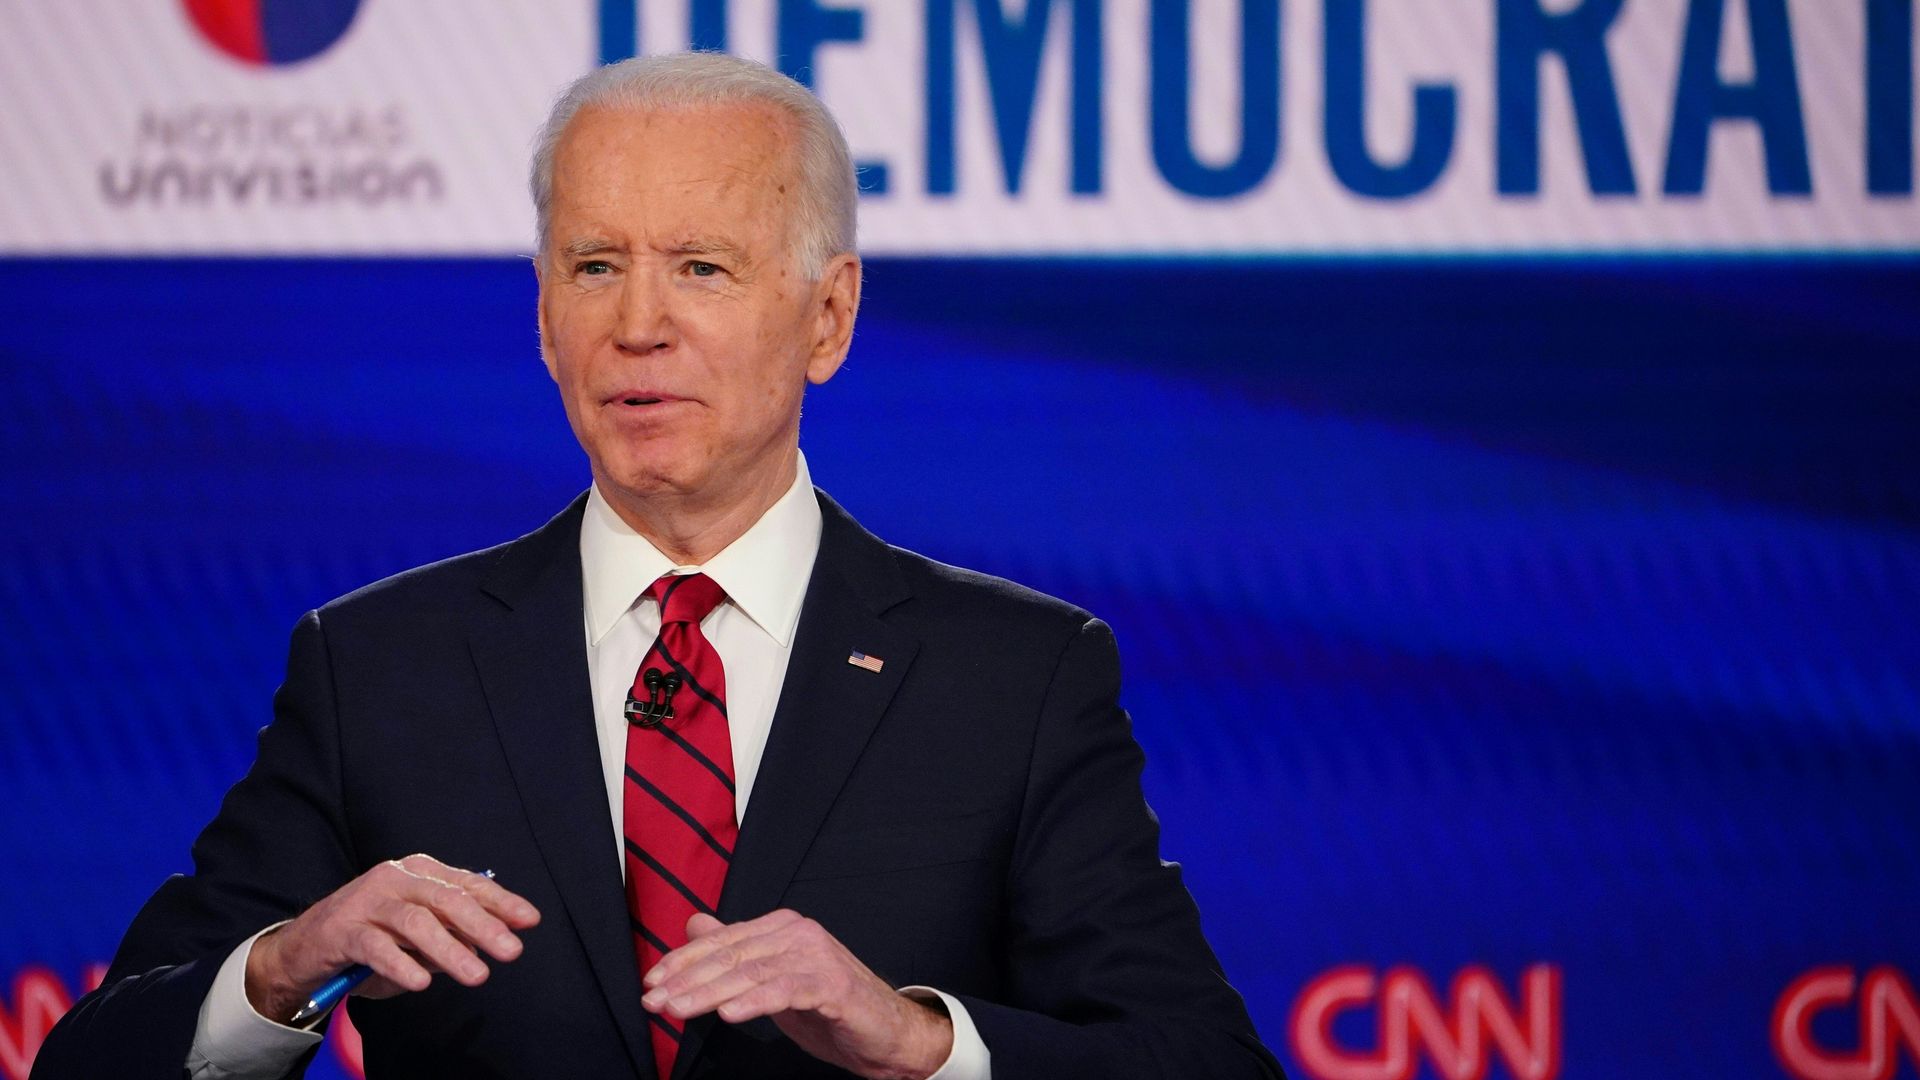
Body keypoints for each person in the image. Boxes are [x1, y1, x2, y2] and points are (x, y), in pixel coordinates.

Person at [32, 52, 1282, 1080]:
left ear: (829, 318)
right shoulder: (379, 667)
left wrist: (914, 1039)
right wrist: (282, 967)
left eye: (701, 266)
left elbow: (1202, 1065)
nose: (637, 323)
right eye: (594, 266)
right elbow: (90, 1063)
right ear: (540, 316)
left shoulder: (1013, 677)